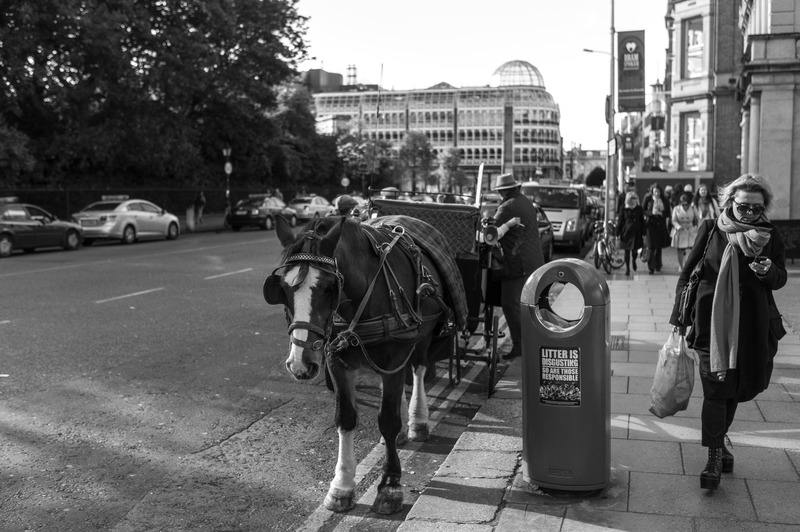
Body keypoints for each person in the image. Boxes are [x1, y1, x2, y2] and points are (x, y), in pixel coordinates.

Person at [669, 173, 787, 491]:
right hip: (711, 323)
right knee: (716, 389)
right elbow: (688, 275)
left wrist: (768, 271)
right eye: (744, 206)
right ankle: (713, 457)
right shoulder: (711, 229)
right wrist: (678, 317)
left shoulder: (770, 234)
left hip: (751, 326)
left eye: (756, 208)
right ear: (730, 201)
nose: (749, 213)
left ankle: (719, 444)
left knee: (734, 389)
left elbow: (780, 278)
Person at [491, 173, 545, 360]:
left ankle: (519, 345)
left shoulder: (508, 206)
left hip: (518, 262)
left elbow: (491, 233)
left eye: (499, 192)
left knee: (509, 303)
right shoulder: (523, 201)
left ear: (504, 191)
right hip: (531, 260)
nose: (499, 195)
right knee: (525, 304)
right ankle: (530, 342)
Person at [642, 183, 671, 274]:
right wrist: (651, 213)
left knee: (658, 246)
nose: (657, 193)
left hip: (660, 224)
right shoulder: (648, 198)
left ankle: (658, 264)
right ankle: (651, 267)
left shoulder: (664, 200)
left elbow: (668, 212)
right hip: (650, 224)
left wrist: (661, 214)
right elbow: (643, 210)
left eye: (658, 191)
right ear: (652, 192)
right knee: (651, 246)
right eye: (655, 191)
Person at [616, 190, 645, 276]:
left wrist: (644, 233)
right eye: (632, 198)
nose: (633, 200)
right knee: (627, 251)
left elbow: (642, 221)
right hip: (626, 233)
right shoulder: (624, 208)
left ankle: (634, 260)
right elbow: (620, 221)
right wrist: (617, 233)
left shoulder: (639, 208)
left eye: (635, 198)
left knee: (635, 251)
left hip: (637, 232)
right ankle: (627, 268)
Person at [671, 192, 700, 269]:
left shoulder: (693, 208)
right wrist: (678, 226)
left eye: (686, 204)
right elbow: (673, 220)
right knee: (680, 250)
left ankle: (690, 266)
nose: (685, 206)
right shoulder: (676, 209)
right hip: (681, 231)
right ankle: (681, 266)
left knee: (693, 250)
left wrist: (696, 227)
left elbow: (697, 218)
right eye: (683, 204)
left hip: (691, 231)